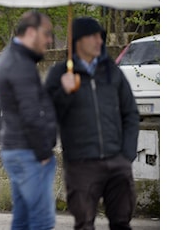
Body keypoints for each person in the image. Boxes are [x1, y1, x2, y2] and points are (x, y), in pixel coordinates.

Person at [45, 17, 140, 230]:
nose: (99, 41)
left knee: (122, 223)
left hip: (117, 162)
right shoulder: (60, 74)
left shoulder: (112, 72)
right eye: (93, 36)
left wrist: (127, 154)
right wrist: (64, 92)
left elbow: (131, 114)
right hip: (81, 165)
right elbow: (47, 115)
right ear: (78, 41)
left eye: (101, 36)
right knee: (84, 224)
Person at [0, 10, 57, 230]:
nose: (49, 40)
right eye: (46, 33)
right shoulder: (20, 64)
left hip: (19, 149)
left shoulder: (14, 58)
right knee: (41, 222)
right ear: (31, 32)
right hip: (29, 152)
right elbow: (30, 113)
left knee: (22, 220)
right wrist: (43, 153)